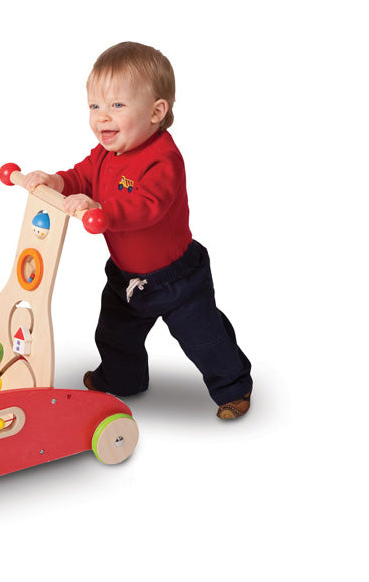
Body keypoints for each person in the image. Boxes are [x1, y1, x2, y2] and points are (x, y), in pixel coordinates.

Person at [23, 41, 252, 419]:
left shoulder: (164, 159)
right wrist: (56, 181)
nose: (102, 117)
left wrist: (102, 210)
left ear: (156, 112)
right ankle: (122, 379)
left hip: (176, 280)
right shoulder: (105, 154)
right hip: (126, 278)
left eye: (117, 105)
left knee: (204, 339)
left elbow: (149, 206)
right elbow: (81, 176)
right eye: (94, 106)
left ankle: (234, 388)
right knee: (113, 334)